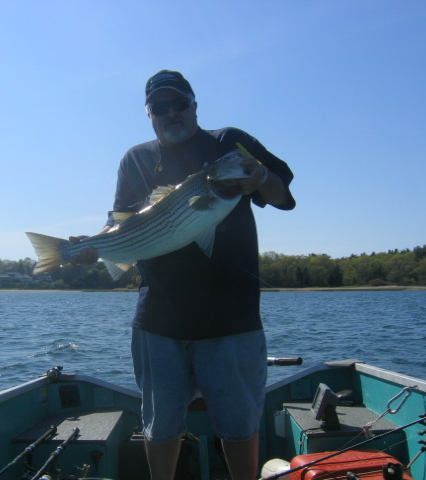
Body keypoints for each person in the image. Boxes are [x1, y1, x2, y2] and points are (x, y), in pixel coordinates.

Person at [72, 70, 295, 480]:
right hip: (159, 318)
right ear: (149, 114)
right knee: (160, 427)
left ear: (194, 106)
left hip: (232, 317)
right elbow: (119, 221)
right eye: (161, 107)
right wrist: (92, 245)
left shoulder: (229, 142)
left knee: (239, 426)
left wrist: (260, 177)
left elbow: (284, 196)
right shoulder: (135, 159)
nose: (171, 112)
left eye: (179, 103)